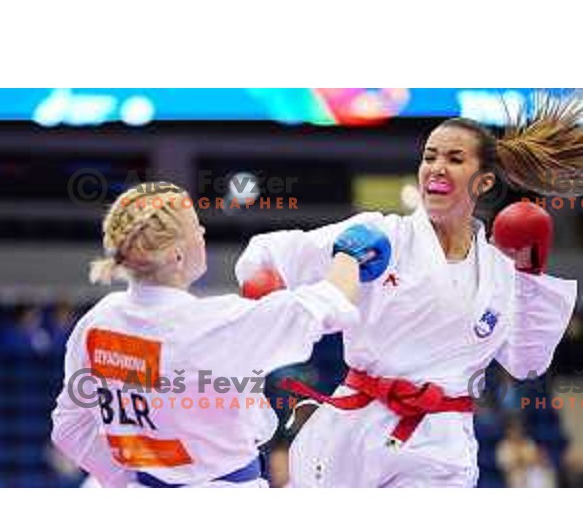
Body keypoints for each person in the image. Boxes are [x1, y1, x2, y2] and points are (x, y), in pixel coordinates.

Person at [235, 97, 581, 487]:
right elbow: (269, 255)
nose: (436, 167)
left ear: (483, 181)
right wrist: (264, 285)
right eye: (429, 157)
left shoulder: (501, 272)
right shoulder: (384, 234)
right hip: (354, 429)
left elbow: (526, 362)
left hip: (439, 442)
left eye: (454, 158)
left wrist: (530, 277)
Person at [51, 183, 386, 488]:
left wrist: (122, 480)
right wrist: (351, 253)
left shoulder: (97, 323)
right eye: (196, 226)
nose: (203, 231)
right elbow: (328, 304)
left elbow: (68, 427)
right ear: (177, 255)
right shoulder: (213, 324)